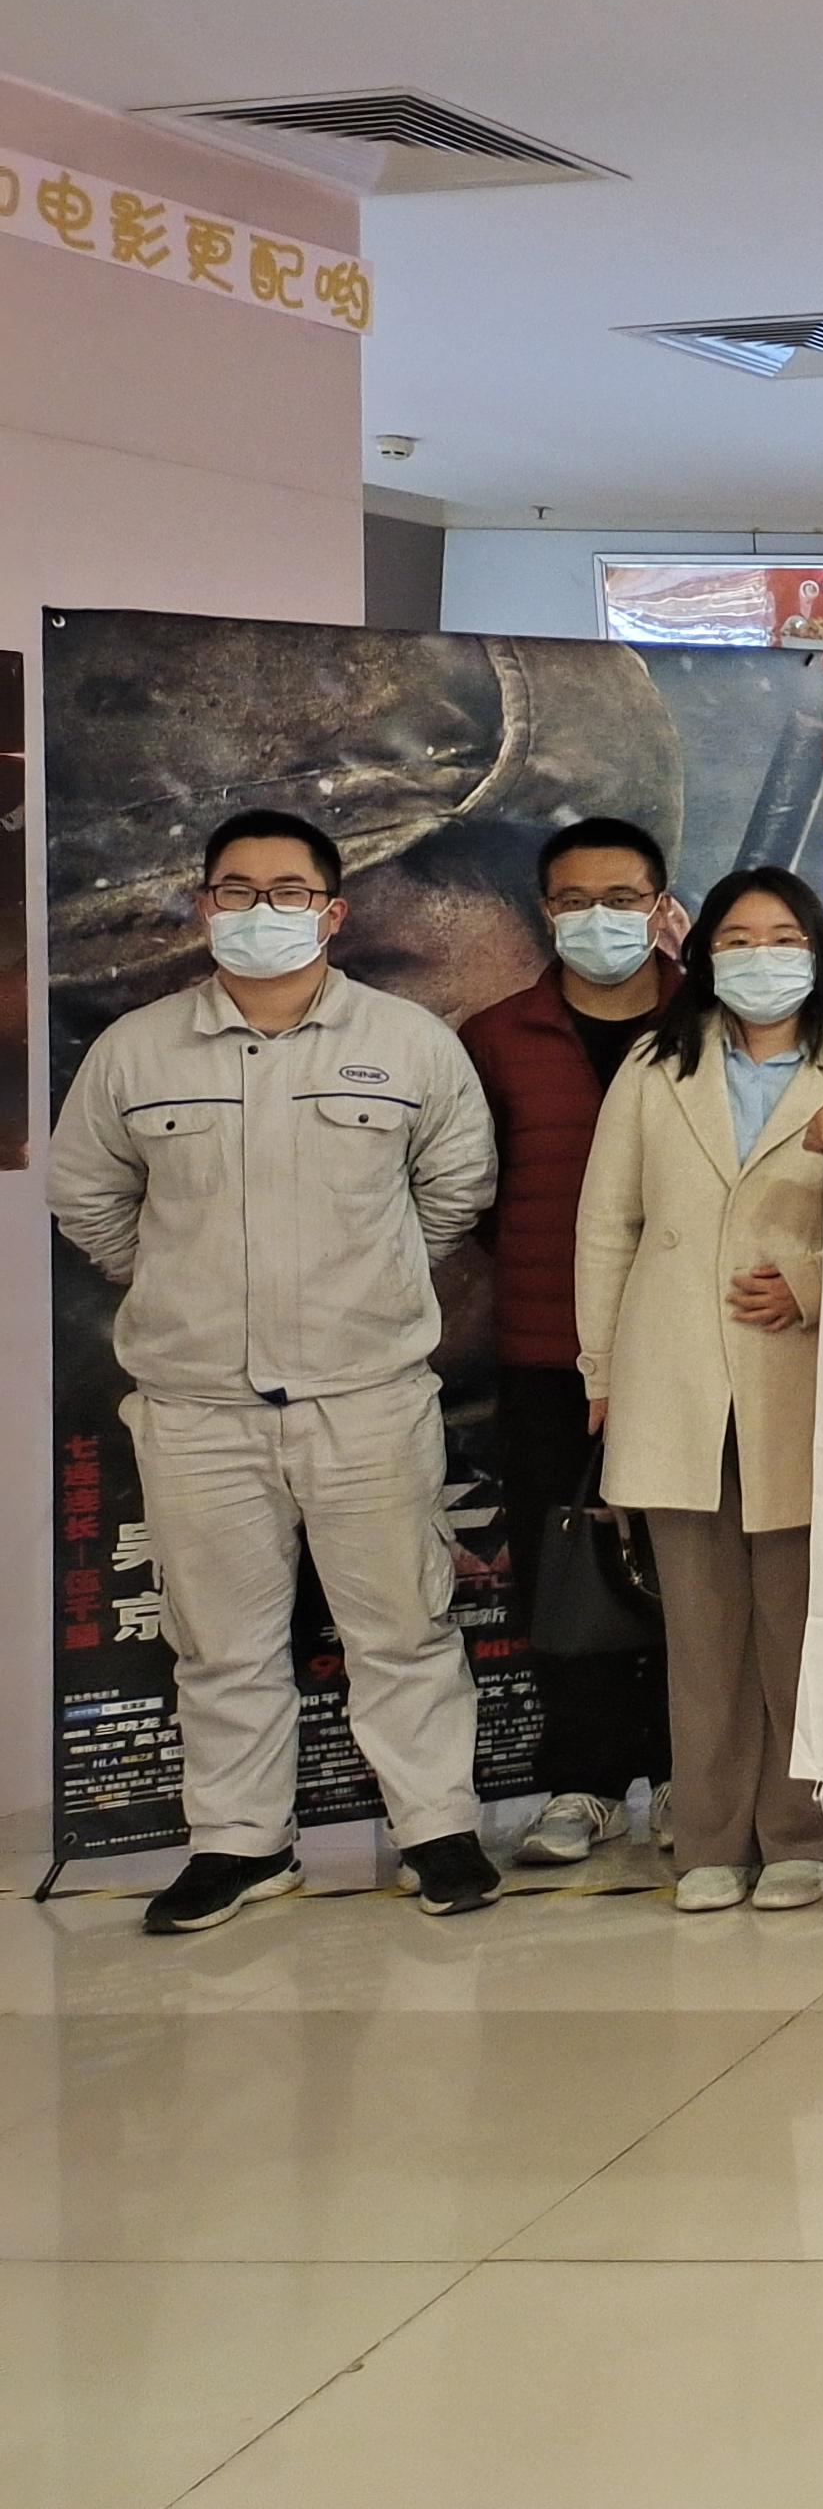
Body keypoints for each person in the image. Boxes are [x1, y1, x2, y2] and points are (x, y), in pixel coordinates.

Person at [50, 809, 504, 1933]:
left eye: (289, 892)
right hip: (196, 1404)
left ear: (331, 911)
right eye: (237, 891)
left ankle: (436, 1831)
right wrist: (178, 1280)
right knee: (220, 1645)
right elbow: (89, 1197)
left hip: (366, 1396)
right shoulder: (138, 1050)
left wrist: (368, 1281)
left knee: (402, 1626)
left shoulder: (408, 1042)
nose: (263, 911)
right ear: (203, 907)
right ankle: (241, 1846)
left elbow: (455, 1190)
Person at [576, 869, 823, 1912]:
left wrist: (810, 1285)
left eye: (782, 938)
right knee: (701, 1632)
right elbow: (607, 1226)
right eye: (736, 939)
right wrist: (600, 1371)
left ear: (817, 954)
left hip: (808, 1382)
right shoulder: (653, 1067)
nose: (759, 957)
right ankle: (710, 1841)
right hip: (675, 1375)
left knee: (803, 1627)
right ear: (703, 955)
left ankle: (803, 1832)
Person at [459, 818, 682, 1869]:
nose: (601, 919)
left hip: (690, 1351)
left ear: (662, 906)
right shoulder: (497, 1037)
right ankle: (582, 1781)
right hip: (548, 1349)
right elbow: (475, 1197)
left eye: (623, 899)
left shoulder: (712, 1024)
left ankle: (685, 1770)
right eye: (576, 901)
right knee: (563, 1568)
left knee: (690, 1570)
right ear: (545, 912)